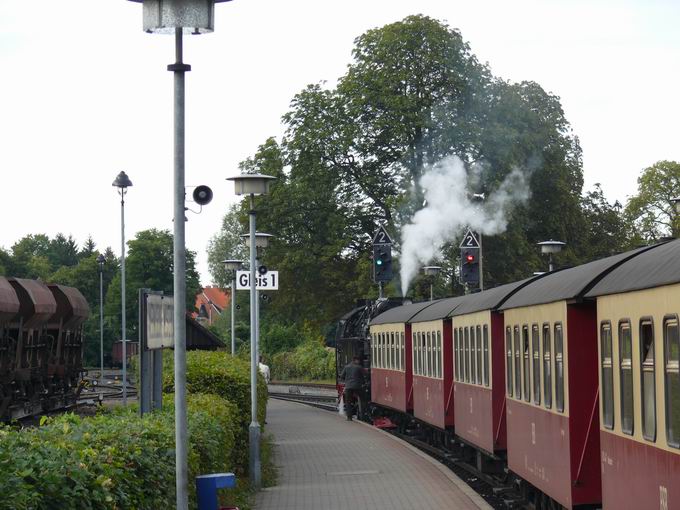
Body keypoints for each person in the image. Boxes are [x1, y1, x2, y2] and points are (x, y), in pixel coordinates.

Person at [339, 355, 365, 421]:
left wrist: (346, 380)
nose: (359, 362)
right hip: (357, 386)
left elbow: (342, 376)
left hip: (348, 387)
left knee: (348, 402)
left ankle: (349, 417)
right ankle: (362, 416)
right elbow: (364, 375)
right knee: (362, 399)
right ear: (355, 360)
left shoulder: (346, 367)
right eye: (358, 360)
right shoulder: (359, 367)